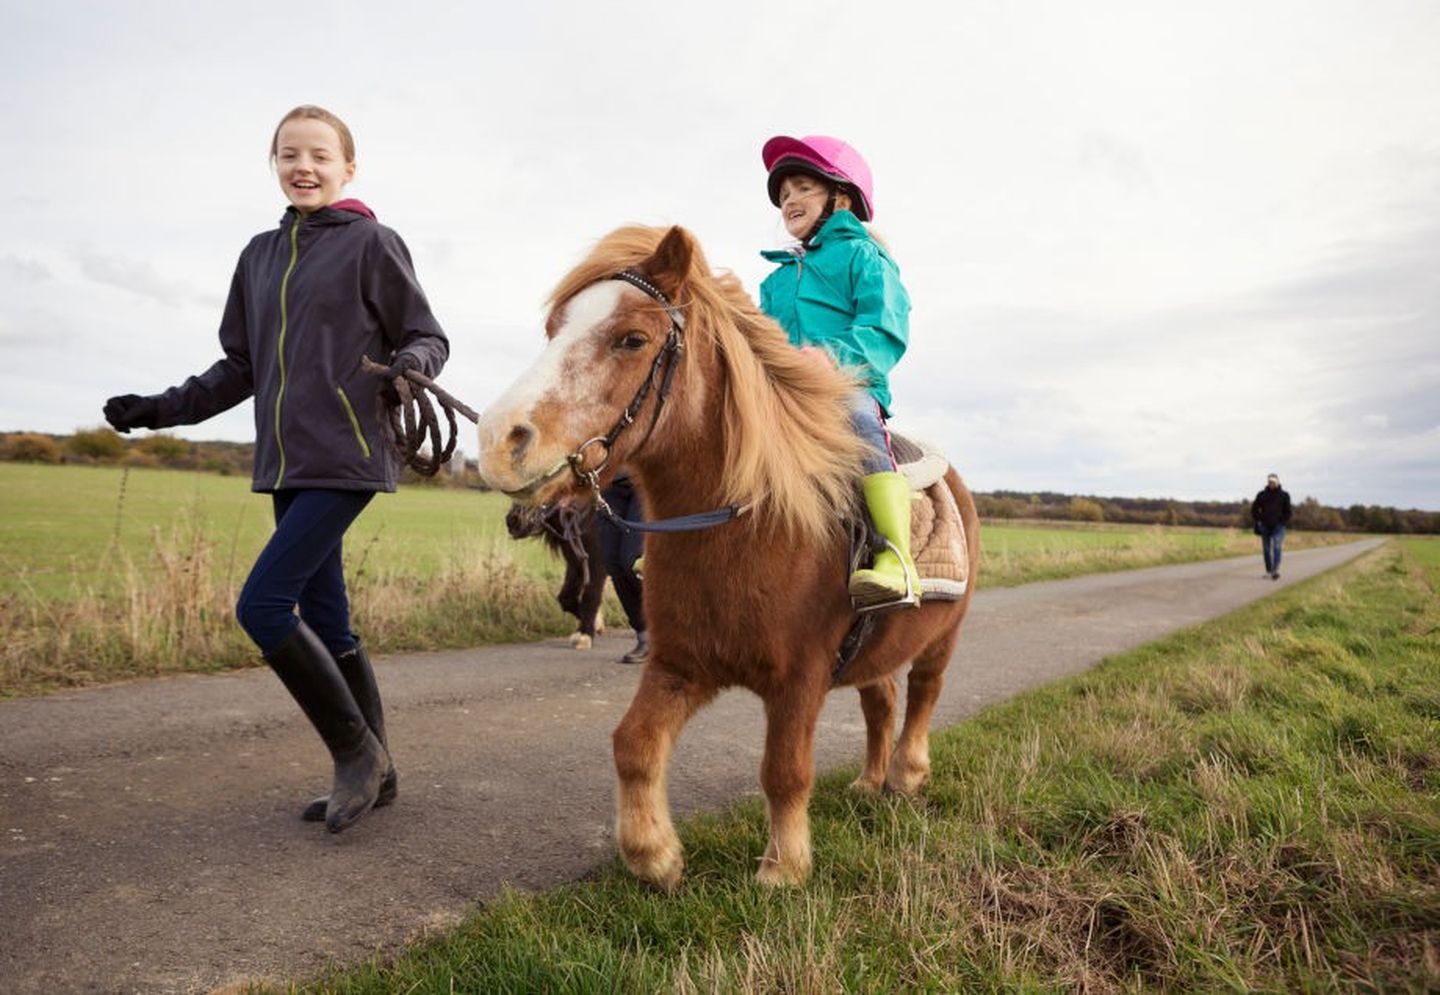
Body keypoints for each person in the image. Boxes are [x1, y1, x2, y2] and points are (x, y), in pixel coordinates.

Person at [102, 105, 448, 833]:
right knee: (328, 619)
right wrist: (156, 410)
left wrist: (410, 366)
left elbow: (425, 333)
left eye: (321, 154)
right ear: (275, 164)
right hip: (285, 465)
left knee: (261, 605)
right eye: (290, 154)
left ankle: (356, 756)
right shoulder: (258, 255)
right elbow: (240, 368)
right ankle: (380, 767)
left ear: (348, 168)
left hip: (348, 455)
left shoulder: (372, 244)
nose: (304, 166)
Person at [757, 134, 917, 608]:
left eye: (803, 188)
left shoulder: (864, 256)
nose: (790, 201)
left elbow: (885, 329)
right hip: (785, 396)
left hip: (847, 386)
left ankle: (895, 557)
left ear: (839, 197)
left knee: (858, 421)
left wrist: (829, 358)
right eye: (784, 196)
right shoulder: (775, 280)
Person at [596, 470, 648, 663]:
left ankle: (664, 628)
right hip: (608, 485)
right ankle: (644, 635)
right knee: (612, 562)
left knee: (631, 561)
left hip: (641, 482)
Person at [1251, 473, 1293, 580]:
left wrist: (1282, 522)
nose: (1271, 484)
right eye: (1270, 482)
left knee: (1277, 547)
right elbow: (1254, 509)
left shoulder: (1284, 495)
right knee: (1266, 550)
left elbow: (1288, 512)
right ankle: (1269, 571)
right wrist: (1259, 519)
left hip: (1278, 527)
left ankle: (1275, 571)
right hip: (1265, 526)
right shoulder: (1261, 495)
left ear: (1277, 482)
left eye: (1273, 482)